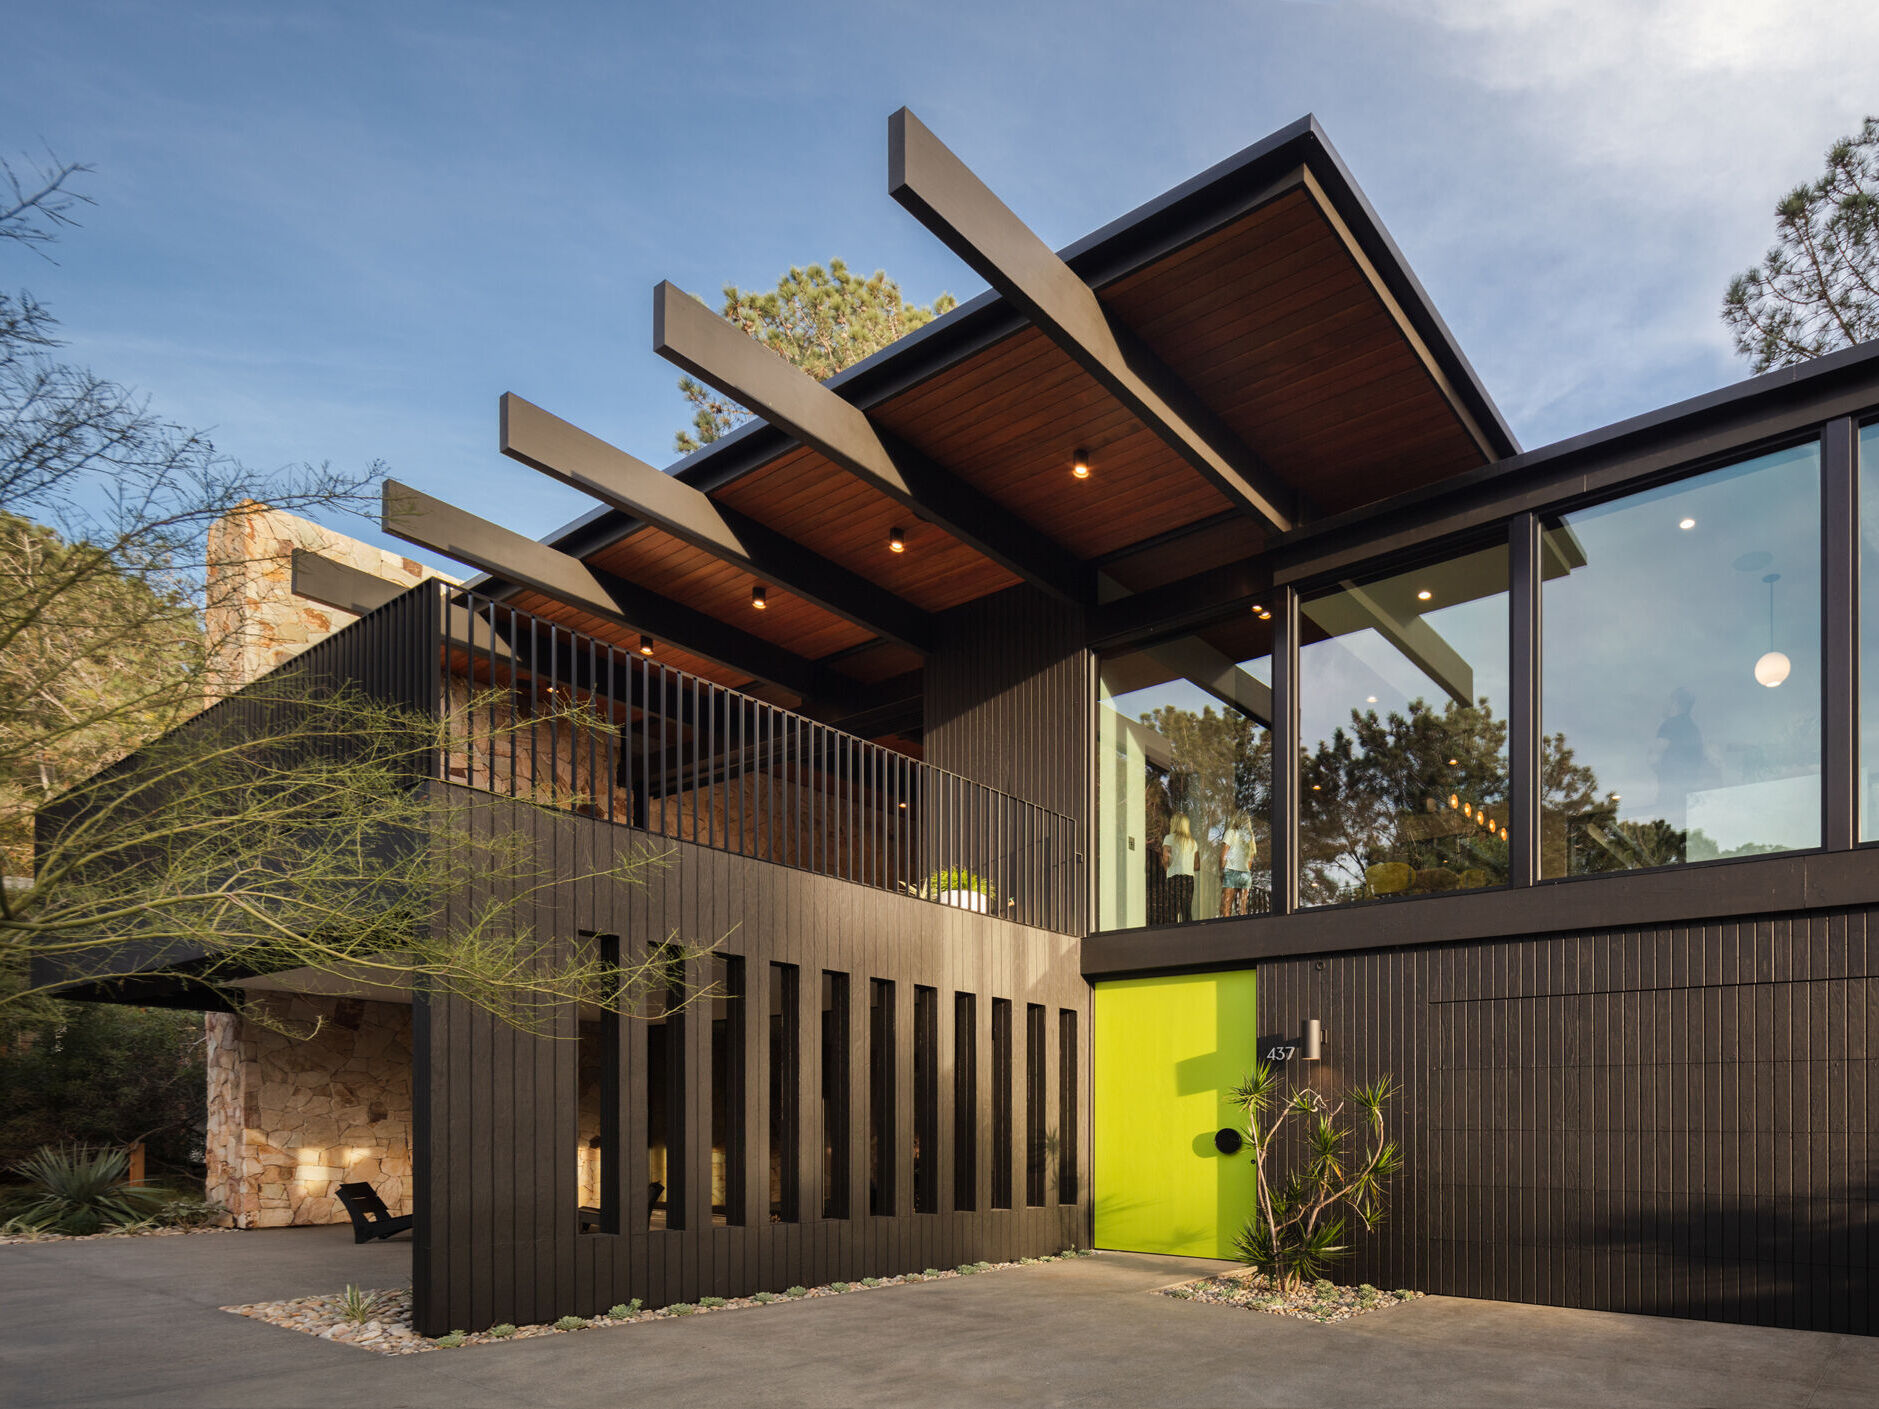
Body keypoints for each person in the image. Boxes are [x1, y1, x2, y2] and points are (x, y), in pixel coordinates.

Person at [1160, 813, 1198, 923]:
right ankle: (1190, 936)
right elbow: (1197, 865)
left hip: (1174, 877)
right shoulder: (1193, 842)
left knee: (1172, 910)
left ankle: (1173, 937)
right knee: (1186, 910)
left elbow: (1165, 858)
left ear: (1175, 824)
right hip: (1188, 878)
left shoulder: (1169, 838)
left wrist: (1168, 868)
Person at [1219, 813, 1256, 917]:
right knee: (1242, 910)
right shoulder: (1250, 837)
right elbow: (1250, 860)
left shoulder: (1231, 833)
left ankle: (1226, 931)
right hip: (1245, 874)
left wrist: (1221, 872)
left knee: (1226, 908)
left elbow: (1223, 855)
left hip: (1231, 872)